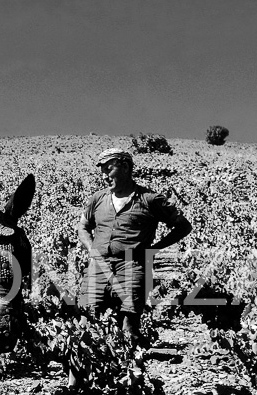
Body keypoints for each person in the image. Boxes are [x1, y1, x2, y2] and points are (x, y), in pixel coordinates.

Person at [76, 147, 192, 352]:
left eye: (108, 169)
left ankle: (131, 371)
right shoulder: (98, 199)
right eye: (102, 171)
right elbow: (83, 227)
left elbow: (183, 226)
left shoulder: (150, 199)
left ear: (125, 167)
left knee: (129, 323)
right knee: (88, 318)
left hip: (132, 266)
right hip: (98, 267)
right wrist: (91, 249)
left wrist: (155, 249)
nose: (104, 176)